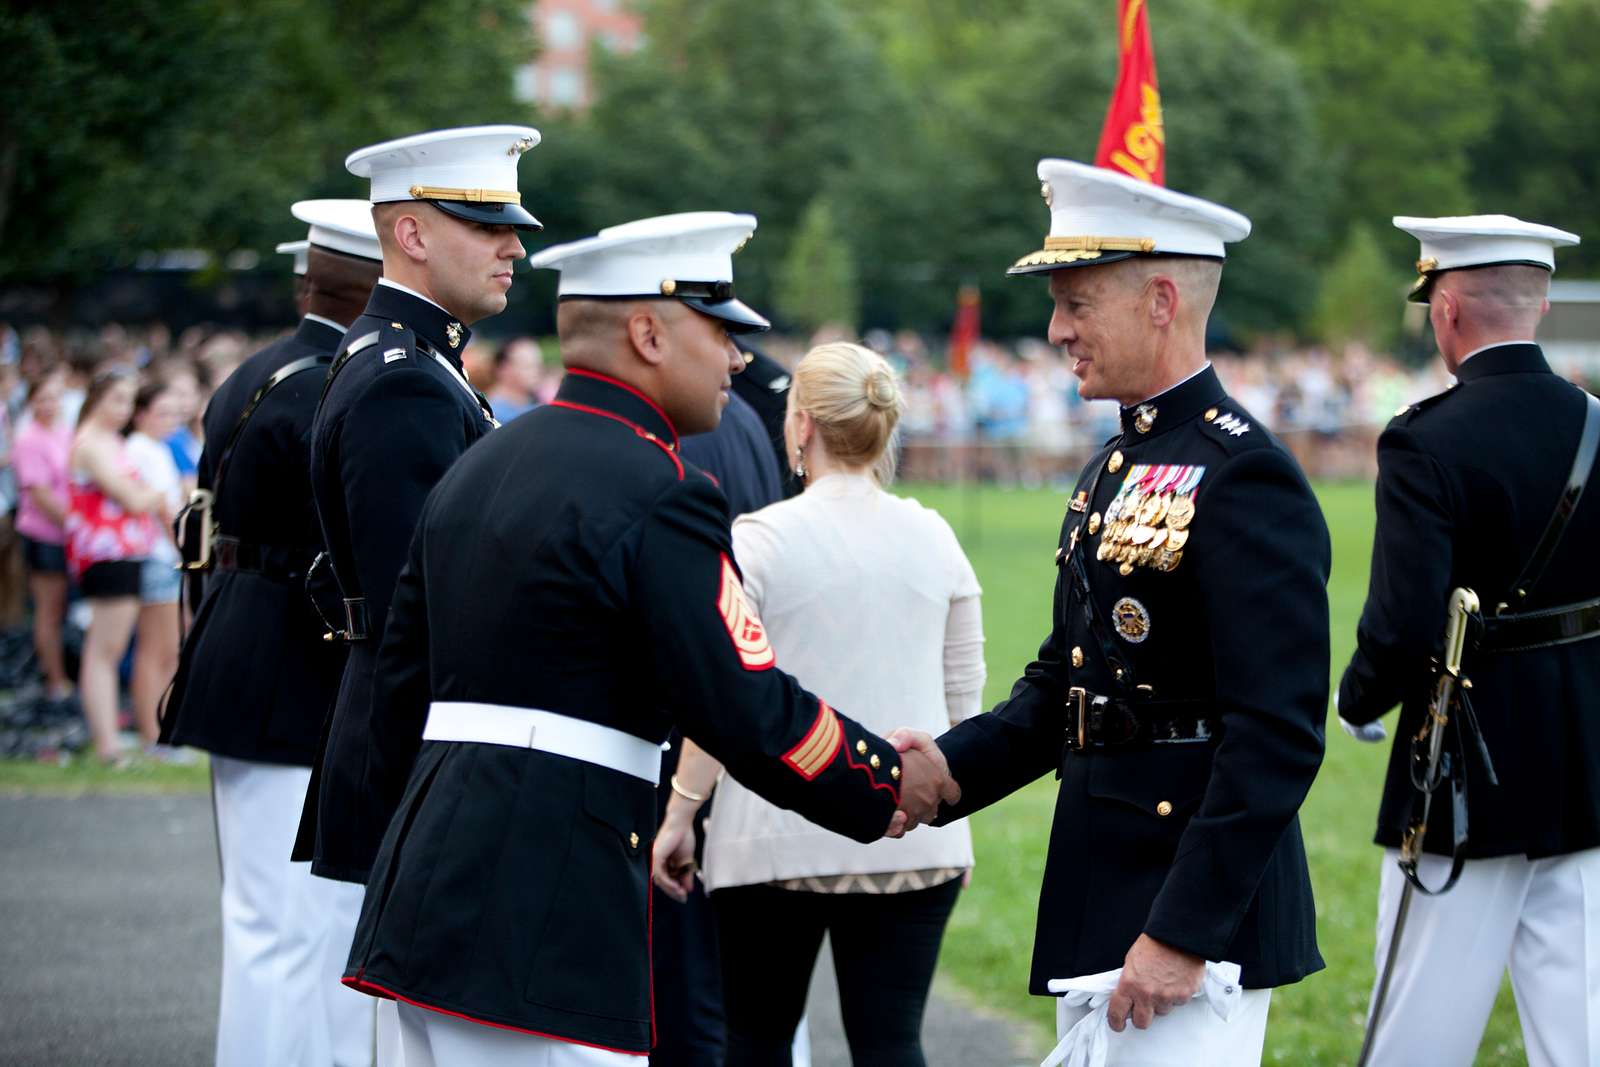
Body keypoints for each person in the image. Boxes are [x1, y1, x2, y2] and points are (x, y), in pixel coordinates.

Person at [339, 211, 953, 1066]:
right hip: (552, 896)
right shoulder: (662, 487)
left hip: (431, 888)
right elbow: (742, 699)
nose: (739, 358)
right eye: (722, 330)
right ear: (647, 333)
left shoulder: (483, 458)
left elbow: (397, 684)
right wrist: (881, 775)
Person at [894, 159, 1331, 1066]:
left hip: (1189, 917)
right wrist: (947, 769)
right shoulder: (1113, 466)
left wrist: (1183, 931)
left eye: (1077, 303)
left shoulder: (1243, 473)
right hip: (1104, 880)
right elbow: (1071, 679)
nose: (1057, 330)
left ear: (1161, 299)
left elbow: (1278, 732)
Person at [656, 340, 986, 1066]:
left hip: (771, 830)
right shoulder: (936, 535)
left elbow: (724, 698)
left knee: (756, 1040)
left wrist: (681, 813)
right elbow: (966, 702)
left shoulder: (759, 539)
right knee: (892, 1041)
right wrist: (955, 817)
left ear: (800, 424)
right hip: (913, 829)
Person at [1336, 215, 1598, 1067]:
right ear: (1544, 300)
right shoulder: (1596, 423)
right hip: (1588, 757)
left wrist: (1358, 696)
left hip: (1467, 769)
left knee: (1416, 1033)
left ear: (1444, 311)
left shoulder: (1425, 437)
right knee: (1584, 1032)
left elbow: (1406, 621)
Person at [159, 199, 385, 1067]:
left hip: (238, 649)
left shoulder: (255, 371)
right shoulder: (343, 386)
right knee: (304, 926)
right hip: (299, 664)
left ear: (307, 282)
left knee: (262, 922)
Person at [294, 125, 542, 889]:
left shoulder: (421, 360)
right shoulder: (405, 378)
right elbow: (424, 605)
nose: (515, 248)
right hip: (419, 746)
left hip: (416, 735)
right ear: (412, 233)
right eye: (487, 225)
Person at [65, 368, 166, 764]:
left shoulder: (107, 440)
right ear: (97, 399)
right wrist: (157, 493)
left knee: (110, 647)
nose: (125, 410)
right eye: (118, 400)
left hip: (124, 551)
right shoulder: (90, 442)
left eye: (128, 401)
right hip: (104, 553)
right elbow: (131, 497)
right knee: (104, 650)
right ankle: (107, 743)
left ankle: (110, 738)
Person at [122, 379, 188, 761]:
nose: (169, 421)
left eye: (172, 414)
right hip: (157, 557)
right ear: (141, 414)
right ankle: (152, 733)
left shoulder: (159, 448)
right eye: (161, 413)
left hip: (167, 557)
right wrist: (183, 548)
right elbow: (161, 509)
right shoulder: (139, 449)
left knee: (168, 650)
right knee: (155, 650)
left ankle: (162, 730)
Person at [13, 368, 75, 704]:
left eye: (55, 397)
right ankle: (54, 679)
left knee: (64, 607)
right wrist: (76, 524)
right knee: (48, 609)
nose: (50, 404)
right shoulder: (29, 440)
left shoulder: (65, 432)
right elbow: (39, 493)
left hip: (67, 534)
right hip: (45, 534)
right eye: (42, 398)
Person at [486, 337, 542, 421]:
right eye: (528, 366)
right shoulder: (491, 414)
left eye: (538, 365)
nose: (537, 371)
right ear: (503, 368)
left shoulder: (537, 408)